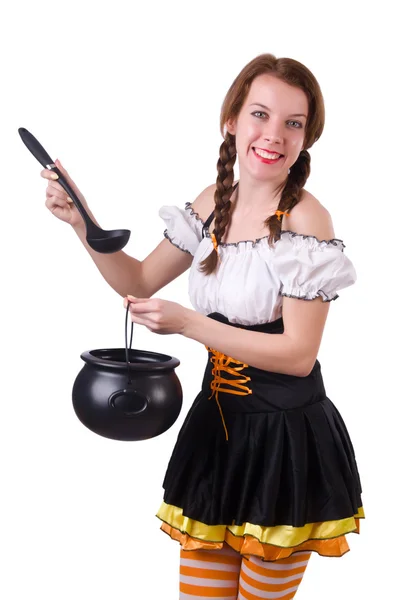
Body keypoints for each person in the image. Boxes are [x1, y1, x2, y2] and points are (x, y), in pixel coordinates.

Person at [42, 53, 364, 599]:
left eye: (293, 123)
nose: (275, 135)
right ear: (232, 121)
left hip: (285, 443)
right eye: (261, 115)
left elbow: (297, 355)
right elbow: (141, 280)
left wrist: (189, 324)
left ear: (306, 139)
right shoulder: (213, 204)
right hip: (217, 434)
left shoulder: (307, 221)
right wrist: (82, 222)